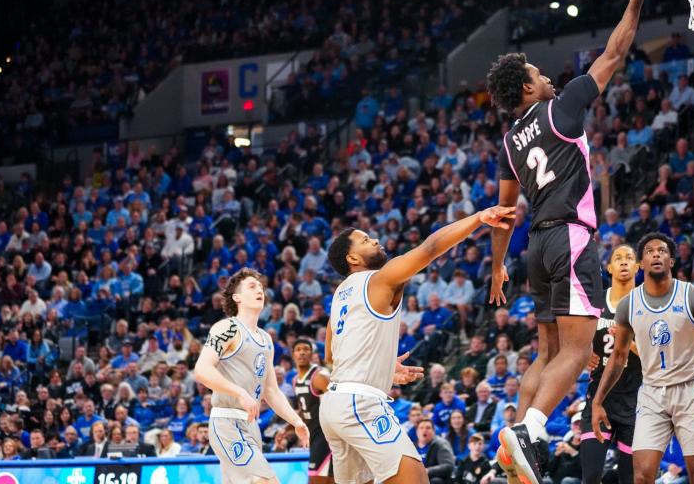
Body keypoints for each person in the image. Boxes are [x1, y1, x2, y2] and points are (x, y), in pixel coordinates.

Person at [485, 0, 661, 484]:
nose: (548, 78)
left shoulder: (509, 145)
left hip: (534, 249)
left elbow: (502, 216)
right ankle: (530, 433)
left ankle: (515, 439)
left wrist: (498, 270)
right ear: (526, 91)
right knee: (580, 349)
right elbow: (616, 50)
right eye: (539, 75)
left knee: (548, 351)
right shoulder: (562, 109)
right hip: (572, 238)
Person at [321, 204, 513, 483]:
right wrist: (478, 219)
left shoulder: (340, 294)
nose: (374, 239)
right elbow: (430, 248)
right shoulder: (380, 279)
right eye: (364, 240)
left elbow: (330, 354)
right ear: (352, 257)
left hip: (335, 404)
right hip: (359, 404)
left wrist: (385, 368)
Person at [590, 233, 694, 484]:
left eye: (662, 251)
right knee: (643, 475)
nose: (656, 254)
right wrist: (597, 401)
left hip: (690, 390)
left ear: (671, 261)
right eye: (649, 251)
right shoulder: (628, 305)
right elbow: (618, 356)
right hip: (652, 392)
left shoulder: (693, 295)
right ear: (641, 264)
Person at [193, 268, 311, 484]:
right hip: (226, 420)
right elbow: (201, 370)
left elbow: (271, 391)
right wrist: (238, 392)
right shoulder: (227, 328)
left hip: (250, 425)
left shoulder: (266, 339)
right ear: (237, 297)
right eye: (252, 286)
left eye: (261, 287)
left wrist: (296, 421)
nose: (260, 290)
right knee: (265, 481)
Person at [580, 244, 642, 484]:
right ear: (609, 267)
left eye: (629, 258)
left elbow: (659, 358)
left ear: (637, 267)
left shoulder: (647, 304)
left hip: (635, 402)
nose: (624, 261)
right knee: (592, 476)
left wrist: (628, 342)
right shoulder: (596, 302)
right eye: (618, 258)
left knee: (630, 479)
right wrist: (585, 353)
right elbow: (575, 338)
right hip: (599, 399)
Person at [291, 339, 333, 483]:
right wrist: (287, 428)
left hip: (325, 435)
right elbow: (303, 410)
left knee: (314, 479)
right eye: (298, 349)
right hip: (312, 435)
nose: (302, 352)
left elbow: (338, 401)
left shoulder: (320, 377)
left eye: (306, 349)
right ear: (293, 354)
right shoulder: (296, 379)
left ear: (312, 354)